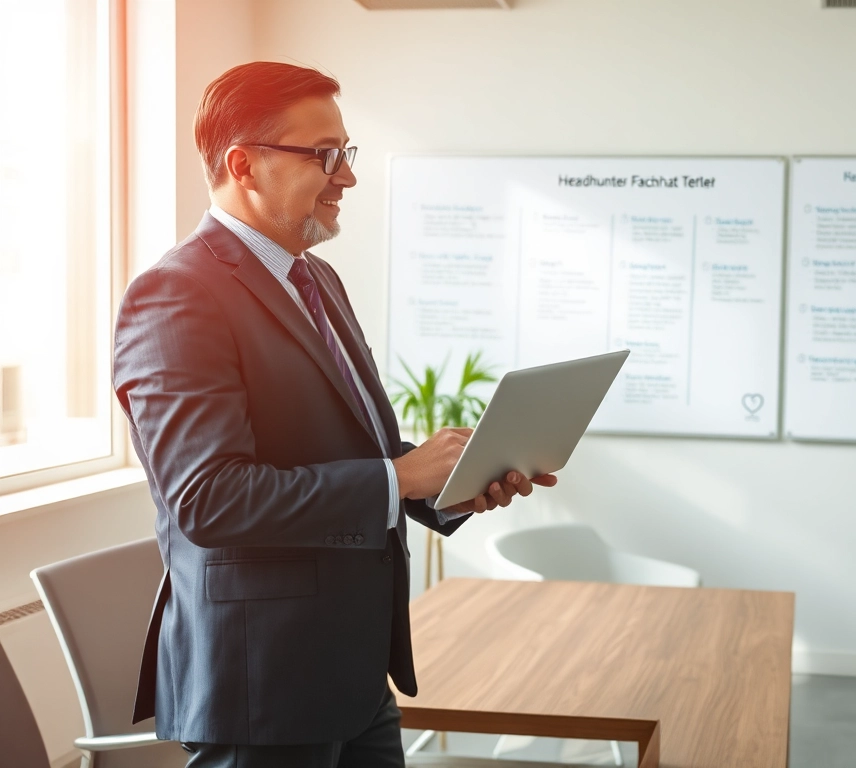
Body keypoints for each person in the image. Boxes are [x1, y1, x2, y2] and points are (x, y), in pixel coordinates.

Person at [113, 61, 555, 767]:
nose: (347, 176)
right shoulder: (176, 294)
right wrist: (396, 479)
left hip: (353, 671)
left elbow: (354, 443)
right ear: (243, 164)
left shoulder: (316, 278)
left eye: (345, 154)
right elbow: (209, 498)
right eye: (326, 156)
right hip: (265, 686)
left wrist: (453, 484)